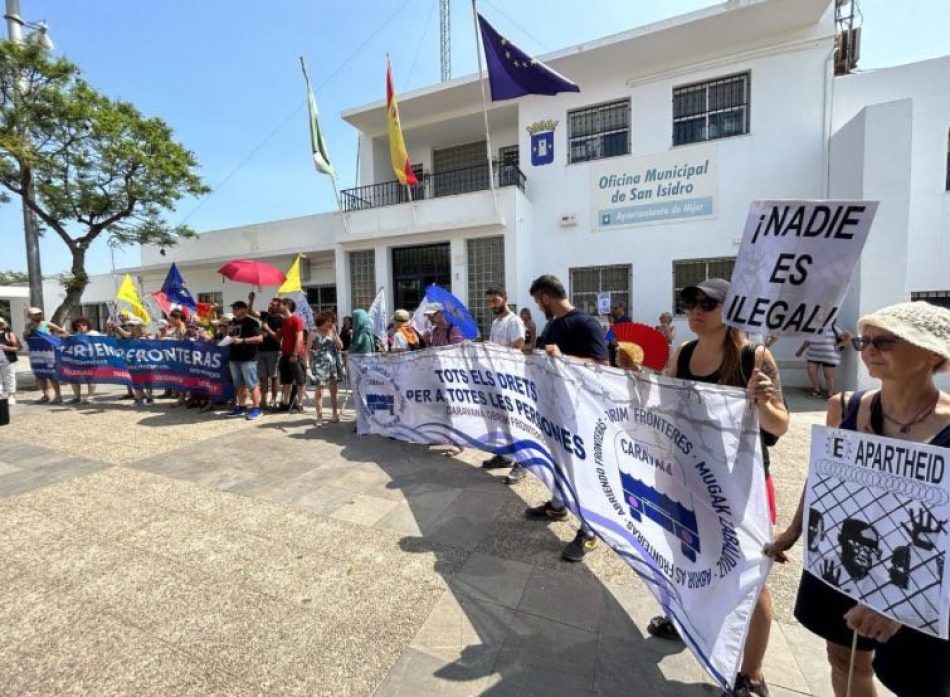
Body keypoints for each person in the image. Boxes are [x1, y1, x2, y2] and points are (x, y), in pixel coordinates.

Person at [767, 301, 950, 697]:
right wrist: (794, 530)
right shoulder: (845, 406)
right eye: (866, 340)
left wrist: (903, 605)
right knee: (844, 657)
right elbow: (822, 477)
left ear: (933, 354)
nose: (869, 350)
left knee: (918, 681)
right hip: (849, 555)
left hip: (923, 580)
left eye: (886, 342)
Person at [647, 278, 788, 697]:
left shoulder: (754, 357)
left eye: (707, 303)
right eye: (689, 301)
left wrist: (761, 401)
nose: (695, 310)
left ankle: (753, 673)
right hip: (690, 477)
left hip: (743, 484)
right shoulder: (684, 352)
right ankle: (684, 617)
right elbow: (667, 407)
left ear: (732, 310)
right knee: (686, 552)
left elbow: (780, 425)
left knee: (752, 575)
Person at [520, 274, 609, 562]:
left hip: (579, 413)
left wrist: (564, 358)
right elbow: (545, 356)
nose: (538, 306)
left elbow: (602, 364)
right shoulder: (553, 324)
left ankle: (590, 530)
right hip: (555, 408)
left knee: (581, 470)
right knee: (557, 460)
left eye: (537, 300)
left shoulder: (585, 323)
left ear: (546, 297)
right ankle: (558, 506)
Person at [481, 288, 526, 473]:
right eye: (490, 301)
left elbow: (518, 345)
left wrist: (493, 348)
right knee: (499, 418)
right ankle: (505, 456)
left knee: (512, 420)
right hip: (495, 376)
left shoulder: (514, 321)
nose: (493, 304)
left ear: (505, 298)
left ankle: (521, 461)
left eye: (496, 300)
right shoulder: (495, 322)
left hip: (509, 378)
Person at [225, 301, 263, 420]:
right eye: (233, 308)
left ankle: (257, 408)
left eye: (236, 308)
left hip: (248, 357)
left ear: (244, 309)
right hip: (234, 356)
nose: (234, 311)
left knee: (252, 384)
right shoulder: (233, 322)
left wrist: (243, 341)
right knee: (239, 384)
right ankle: (242, 406)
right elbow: (231, 336)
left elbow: (260, 338)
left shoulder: (252, 322)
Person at [795, 323, 853, 398]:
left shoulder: (834, 328)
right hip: (813, 354)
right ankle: (817, 390)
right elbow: (808, 341)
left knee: (829, 375)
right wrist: (800, 350)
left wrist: (840, 345)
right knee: (811, 372)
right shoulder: (813, 327)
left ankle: (831, 394)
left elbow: (850, 336)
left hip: (829, 356)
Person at [308, 311, 344, 425]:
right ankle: (319, 416)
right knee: (319, 391)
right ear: (322, 320)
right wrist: (307, 367)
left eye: (332, 321)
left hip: (332, 364)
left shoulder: (332, 332)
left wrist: (335, 333)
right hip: (319, 364)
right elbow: (307, 351)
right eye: (329, 321)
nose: (331, 323)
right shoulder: (314, 332)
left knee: (334, 389)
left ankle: (334, 413)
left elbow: (341, 346)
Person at [249, 293, 283, 410]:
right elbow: (250, 312)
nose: (270, 306)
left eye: (273, 305)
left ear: (278, 307)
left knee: (273, 377)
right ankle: (263, 400)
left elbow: (278, 338)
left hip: (274, 351)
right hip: (261, 351)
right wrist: (251, 300)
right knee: (262, 377)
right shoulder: (264, 315)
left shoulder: (280, 319)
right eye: (270, 304)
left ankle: (274, 399)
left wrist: (267, 328)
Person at [23, 307, 63, 404]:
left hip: (48, 352)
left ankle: (58, 396)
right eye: (36, 314)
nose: (38, 316)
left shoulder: (46, 324)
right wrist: (27, 331)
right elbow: (25, 337)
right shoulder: (28, 325)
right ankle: (46, 395)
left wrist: (52, 336)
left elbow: (61, 331)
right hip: (35, 353)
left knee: (52, 374)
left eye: (39, 314)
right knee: (39, 374)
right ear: (30, 316)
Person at [277, 297, 306, 413]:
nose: (278, 307)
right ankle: (285, 402)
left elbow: (299, 338)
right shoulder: (283, 321)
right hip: (285, 354)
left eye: (280, 305)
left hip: (296, 356)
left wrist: (294, 354)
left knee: (300, 381)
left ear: (286, 306)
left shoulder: (296, 320)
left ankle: (299, 404)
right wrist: (267, 328)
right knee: (286, 381)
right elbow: (279, 337)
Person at [67, 317, 103, 404]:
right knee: (73, 378)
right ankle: (76, 397)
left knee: (90, 378)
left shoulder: (94, 334)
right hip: (77, 361)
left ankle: (90, 396)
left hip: (91, 360)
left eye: (83, 325)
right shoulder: (75, 336)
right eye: (78, 326)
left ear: (87, 325)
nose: (81, 327)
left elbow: (102, 344)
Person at [126, 318, 154, 406]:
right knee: (136, 381)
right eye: (130, 326)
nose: (131, 328)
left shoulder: (148, 338)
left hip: (146, 364)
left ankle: (149, 399)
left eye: (133, 326)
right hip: (134, 364)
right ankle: (138, 399)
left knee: (147, 381)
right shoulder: (130, 338)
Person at [0, 316, 21, 404]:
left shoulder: (8, 334)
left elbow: (18, 347)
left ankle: (11, 395)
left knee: (9, 377)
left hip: (7, 359)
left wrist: (6, 347)